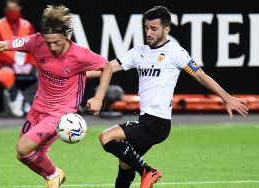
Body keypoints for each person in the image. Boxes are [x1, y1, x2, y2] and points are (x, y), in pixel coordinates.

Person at [0, 4, 112, 188]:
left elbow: (106, 66)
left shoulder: (79, 54)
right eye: (48, 42)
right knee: (23, 156)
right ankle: (55, 175)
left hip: (61, 112)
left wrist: (98, 97)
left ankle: (53, 175)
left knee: (23, 147)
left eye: (56, 42)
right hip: (38, 107)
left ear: (65, 36)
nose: (52, 47)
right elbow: (1, 45)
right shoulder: (36, 42)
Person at [98, 6, 249, 188]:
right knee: (126, 162)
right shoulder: (139, 52)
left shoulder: (175, 52)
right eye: (146, 27)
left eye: (154, 28)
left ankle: (148, 171)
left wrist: (227, 98)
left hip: (157, 123)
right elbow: (107, 67)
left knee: (106, 137)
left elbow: (200, 75)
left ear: (166, 29)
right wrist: (76, 73)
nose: (149, 32)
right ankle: (142, 171)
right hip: (146, 121)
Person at [0, 0, 36, 117]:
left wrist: (30, 64)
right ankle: (16, 96)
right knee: (5, 74)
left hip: (26, 64)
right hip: (5, 63)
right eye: (10, 9)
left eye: (15, 8)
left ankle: (27, 99)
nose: (12, 11)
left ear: (20, 8)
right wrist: (13, 63)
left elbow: (34, 48)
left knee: (44, 75)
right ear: (5, 10)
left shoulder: (27, 25)